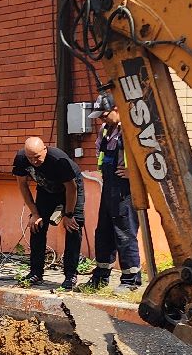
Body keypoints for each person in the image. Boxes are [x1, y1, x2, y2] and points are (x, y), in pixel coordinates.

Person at [12, 136, 83, 289]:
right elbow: (22, 186)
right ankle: (35, 273)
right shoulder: (21, 159)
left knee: (73, 228)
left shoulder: (58, 160)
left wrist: (68, 215)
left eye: (37, 157)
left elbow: (72, 188)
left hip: (70, 189)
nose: (34, 161)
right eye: (30, 158)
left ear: (45, 149)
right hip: (46, 190)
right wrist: (34, 213)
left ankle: (70, 275)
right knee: (36, 226)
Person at [90, 92, 143, 290]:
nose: (102, 119)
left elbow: (151, 159)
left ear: (117, 109)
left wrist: (134, 174)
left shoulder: (132, 130)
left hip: (125, 190)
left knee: (124, 233)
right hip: (109, 187)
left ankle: (131, 281)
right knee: (103, 232)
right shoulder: (106, 130)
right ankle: (101, 276)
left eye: (104, 115)